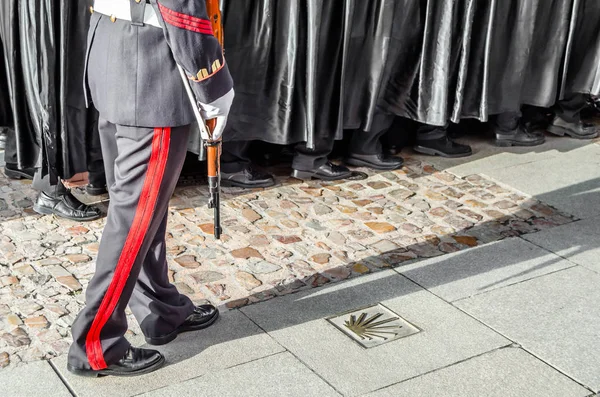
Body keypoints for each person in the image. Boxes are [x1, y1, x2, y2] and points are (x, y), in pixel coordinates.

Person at [67, 0, 233, 377]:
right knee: (134, 216)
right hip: (154, 59)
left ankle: (161, 309)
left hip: (113, 47)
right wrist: (212, 81)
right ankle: (96, 343)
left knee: (142, 209)